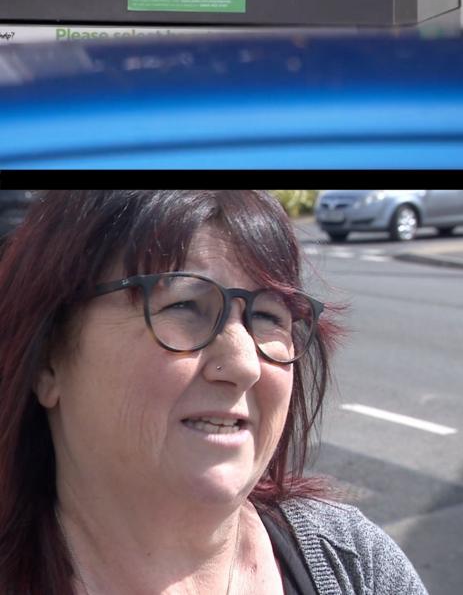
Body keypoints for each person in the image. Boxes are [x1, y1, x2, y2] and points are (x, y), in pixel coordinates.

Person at [0, 190, 428, 595]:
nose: (244, 365)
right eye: (184, 306)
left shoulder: (355, 565)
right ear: (47, 360)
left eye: (267, 316)